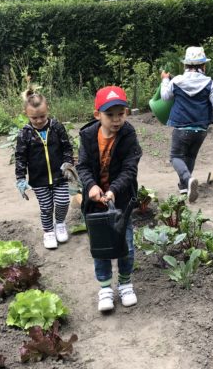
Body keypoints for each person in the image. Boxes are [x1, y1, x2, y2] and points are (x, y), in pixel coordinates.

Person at [76, 85, 142, 312]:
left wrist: (113, 190)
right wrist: (92, 186)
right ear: (98, 115)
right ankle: (105, 288)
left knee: (127, 245)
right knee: (101, 246)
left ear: (126, 113)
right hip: (94, 203)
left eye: (120, 114)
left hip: (120, 201)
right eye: (110, 115)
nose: (116, 120)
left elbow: (129, 169)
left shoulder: (128, 135)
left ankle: (125, 283)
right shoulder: (87, 136)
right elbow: (82, 166)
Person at [160, 46, 213, 203]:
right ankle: (184, 186)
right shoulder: (209, 83)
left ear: (185, 65)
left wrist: (165, 79)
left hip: (182, 128)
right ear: (203, 66)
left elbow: (165, 97)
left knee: (176, 157)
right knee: (190, 156)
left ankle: (187, 179)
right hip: (201, 129)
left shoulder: (176, 81)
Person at [15, 86, 75, 249]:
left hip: (60, 175)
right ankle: (48, 231)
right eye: (34, 118)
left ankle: (60, 224)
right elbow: (20, 157)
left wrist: (68, 163)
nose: (39, 120)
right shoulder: (24, 134)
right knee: (46, 207)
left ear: (47, 110)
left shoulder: (57, 127)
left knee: (63, 202)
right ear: (26, 114)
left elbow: (67, 147)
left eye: (42, 116)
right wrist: (20, 178)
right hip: (39, 179)